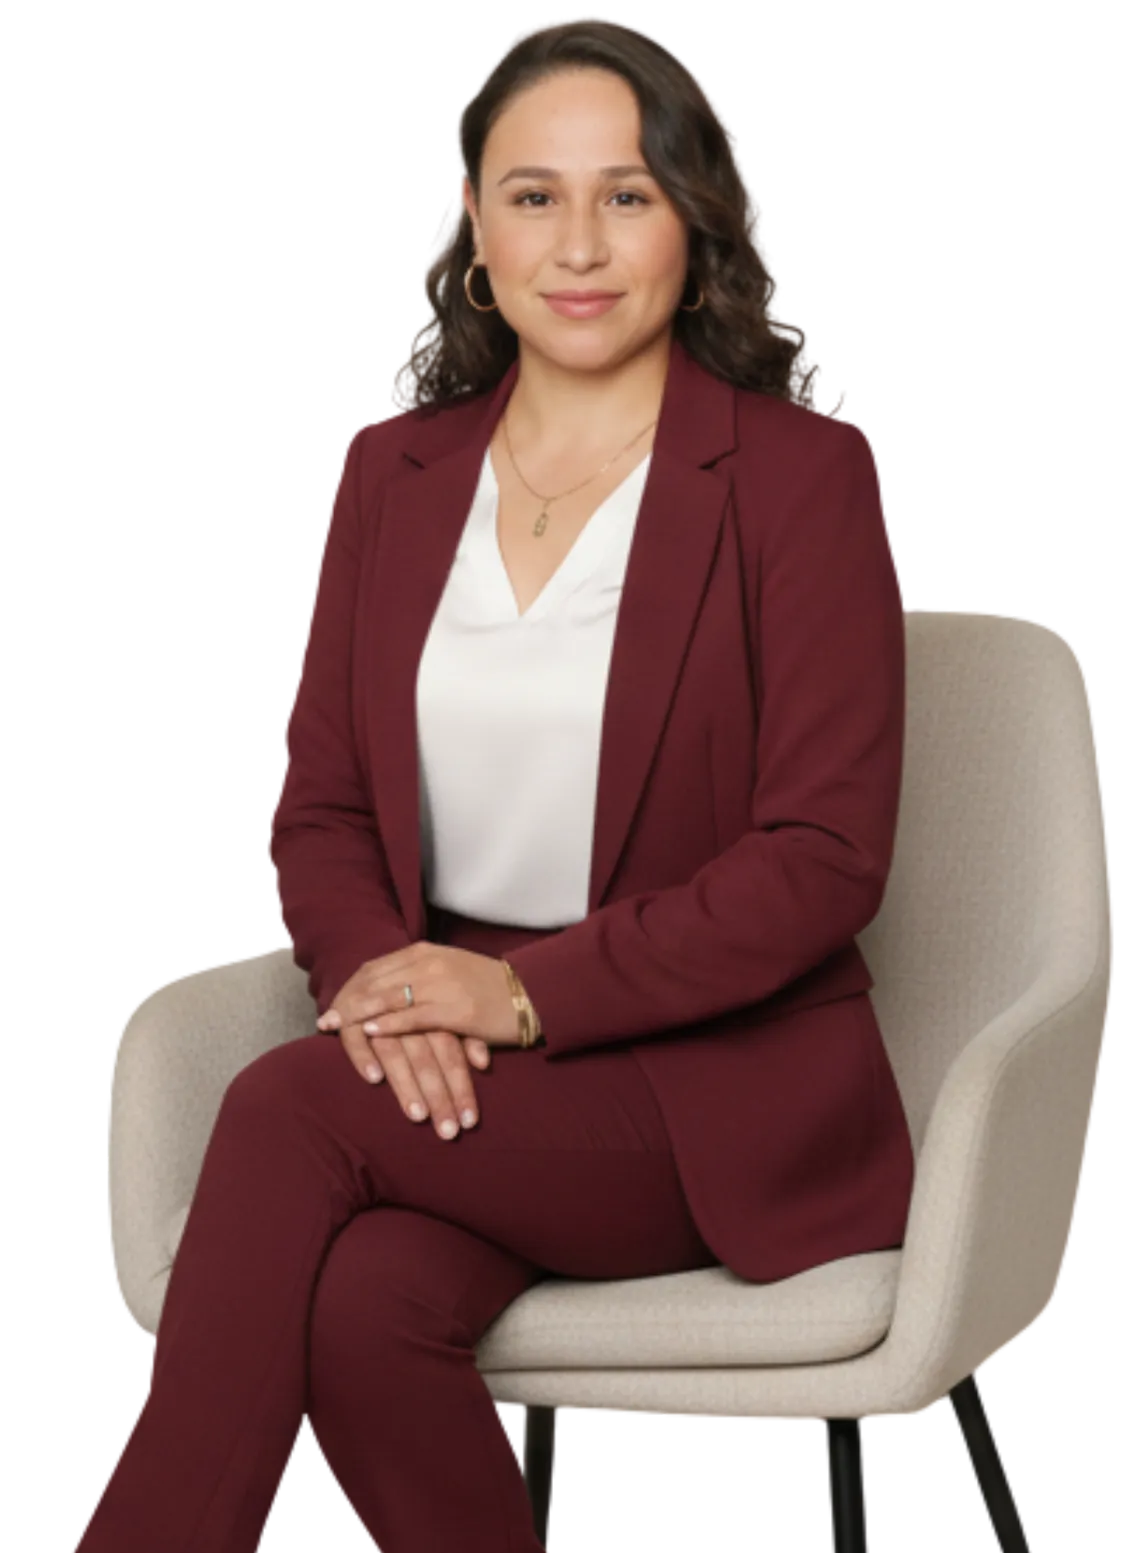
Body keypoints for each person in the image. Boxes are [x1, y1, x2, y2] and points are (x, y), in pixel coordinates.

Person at [75, 17, 909, 1552]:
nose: (578, 246)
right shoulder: (387, 476)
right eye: (535, 196)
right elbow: (324, 806)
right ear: (472, 222)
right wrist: (391, 988)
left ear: (694, 225)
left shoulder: (800, 479)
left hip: (709, 1084)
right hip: (451, 1054)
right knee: (366, 1307)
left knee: (285, 1111)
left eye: (627, 196)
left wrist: (517, 998)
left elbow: (822, 856)